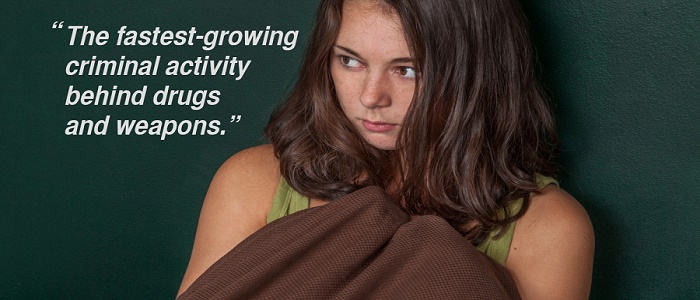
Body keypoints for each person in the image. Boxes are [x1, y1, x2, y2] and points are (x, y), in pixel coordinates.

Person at [178, 0, 594, 298]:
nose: (371, 96)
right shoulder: (251, 182)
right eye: (350, 61)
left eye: (407, 69)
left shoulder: (549, 230)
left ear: (474, 75)